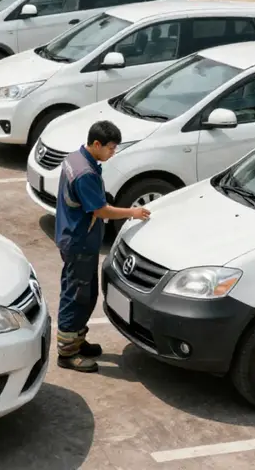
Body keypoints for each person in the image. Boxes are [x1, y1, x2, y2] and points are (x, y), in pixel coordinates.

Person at [55, 120, 151, 372]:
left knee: (85, 294)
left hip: (73, 237)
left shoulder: (75, 159)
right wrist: (133, 212)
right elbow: (100, 209)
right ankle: (67, 353)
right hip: (79, 242)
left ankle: (77, 339)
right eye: (110, 148)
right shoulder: (85, 173)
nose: (113, 152)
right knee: (77, 297)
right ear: (96, 144)